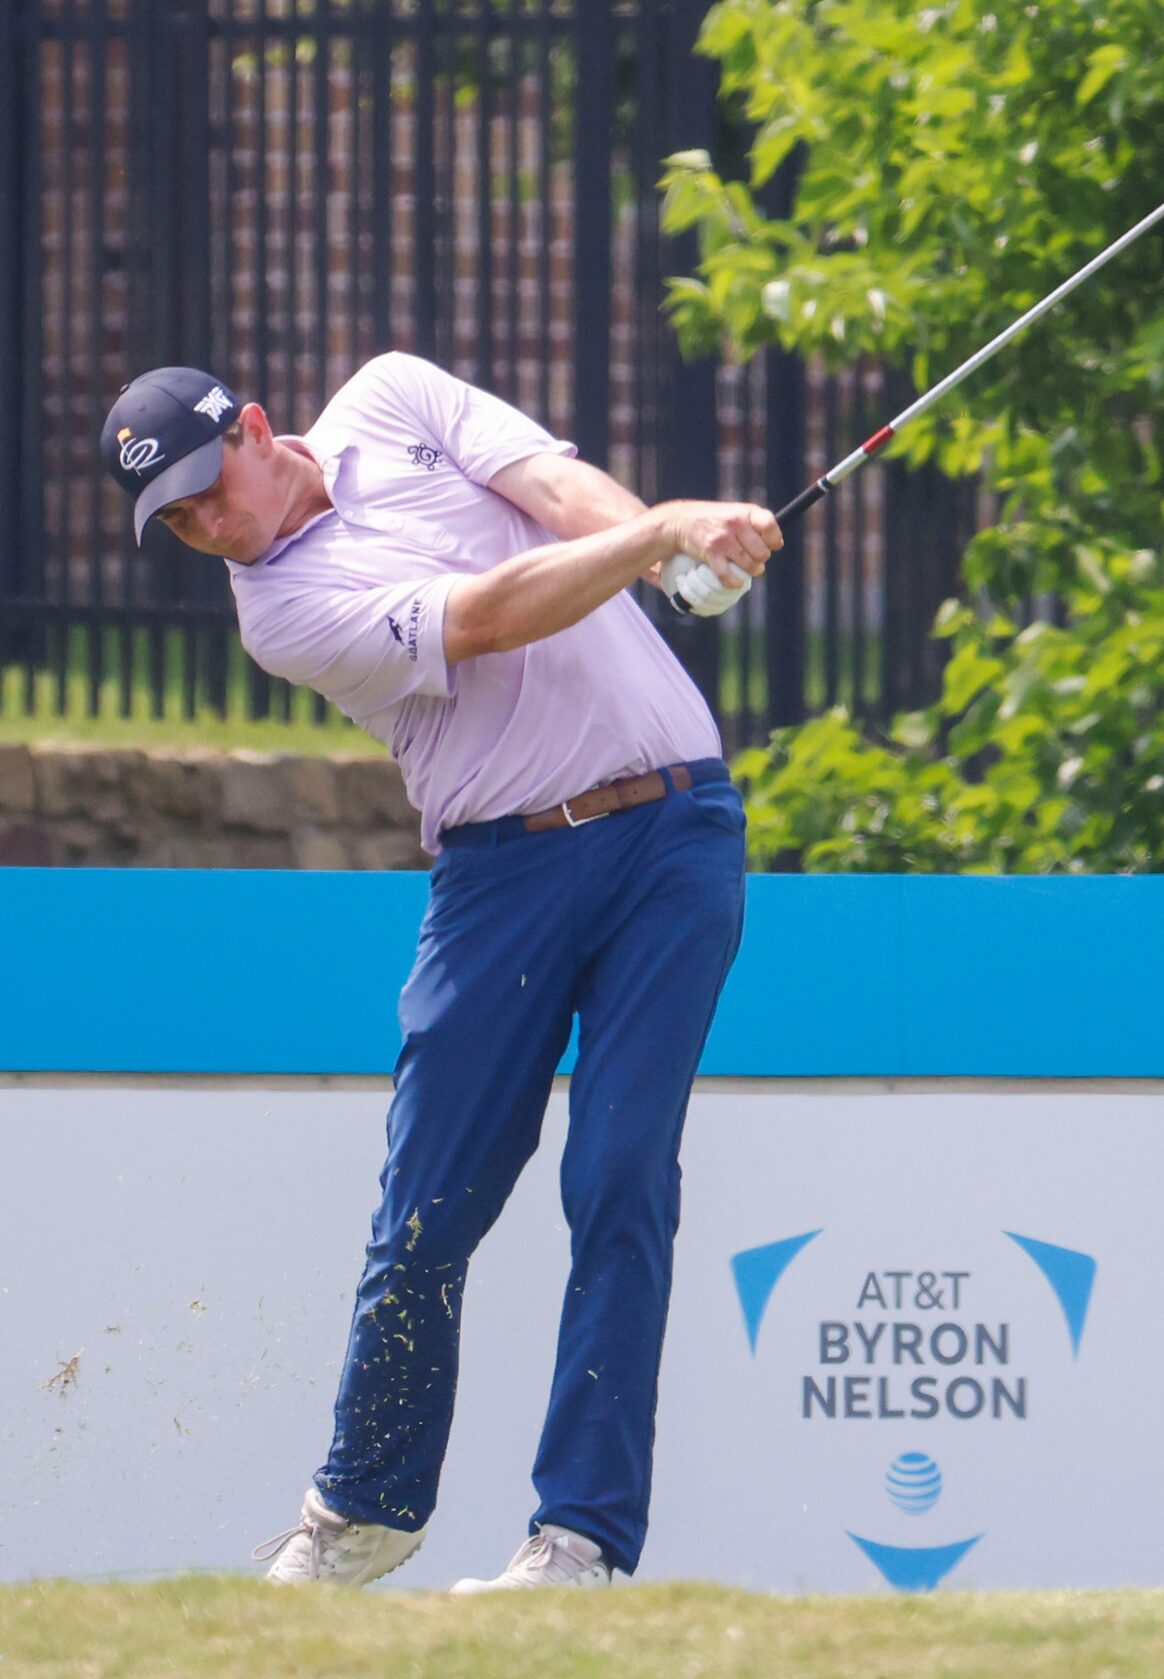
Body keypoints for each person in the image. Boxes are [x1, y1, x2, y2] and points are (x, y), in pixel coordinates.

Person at [99, 355, 783, 1592]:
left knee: (620, 1174)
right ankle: (366, 1508)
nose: (208, 527)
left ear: (255, 429)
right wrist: (664, 537)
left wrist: (672, 546)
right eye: (179, 522)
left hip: (675, 836)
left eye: (209, 490)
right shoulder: (282, 616)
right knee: (429, 1206)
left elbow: (559, 495)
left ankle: (577, 1538)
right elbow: (489, 615)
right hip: (500, 878)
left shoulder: (395, 396)